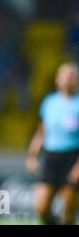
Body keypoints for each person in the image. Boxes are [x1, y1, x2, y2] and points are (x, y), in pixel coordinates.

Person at [26, 62, 79, 225]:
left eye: (71, 76)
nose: (66, 79)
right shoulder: (49, 102)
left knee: (69, 212)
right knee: (41, 208)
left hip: (72, 157)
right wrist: (32, 156)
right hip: (50, 157)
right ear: (57, 80)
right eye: (63, 75)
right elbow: (41, 132)